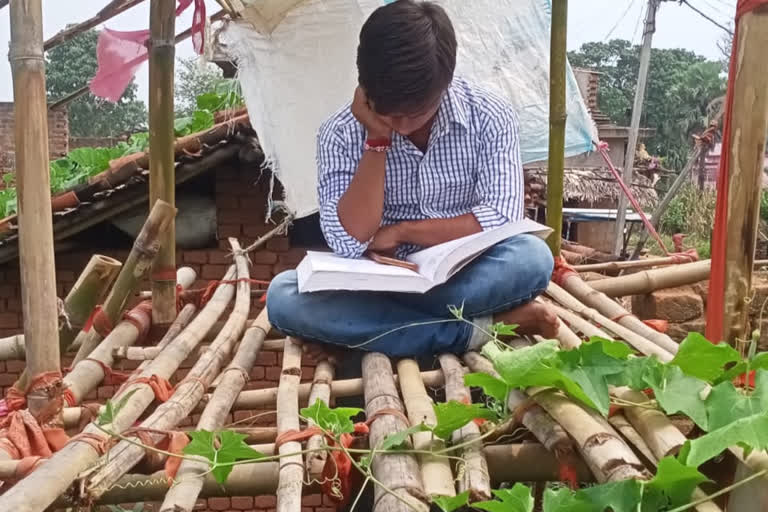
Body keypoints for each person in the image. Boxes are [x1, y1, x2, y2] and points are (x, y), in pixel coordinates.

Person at [267, 0, 558, 358]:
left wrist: (403, 232)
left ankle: (371, 330)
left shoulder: (490, 117)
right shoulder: (339, 133)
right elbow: (346, 241)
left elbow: (500, 218)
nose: (402, 125)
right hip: (375, 286)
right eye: (389, 112)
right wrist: (376, 140)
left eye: (416, 112)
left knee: (532, 258)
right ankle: (476, 330)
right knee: (283, 296)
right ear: (365, 88)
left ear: (445, 83)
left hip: (460, 281)